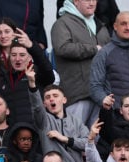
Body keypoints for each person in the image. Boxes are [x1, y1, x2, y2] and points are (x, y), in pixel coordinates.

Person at [51, 0, 111, 128]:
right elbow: (62, 48)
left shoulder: (100, 25)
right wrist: (93, 49)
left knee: (94, 141)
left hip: (100, 95)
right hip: (77, 95)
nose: (92, 3)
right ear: (76, 2)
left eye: (94, 0)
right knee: (74, 138)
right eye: (87, 0)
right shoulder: (62, 23)